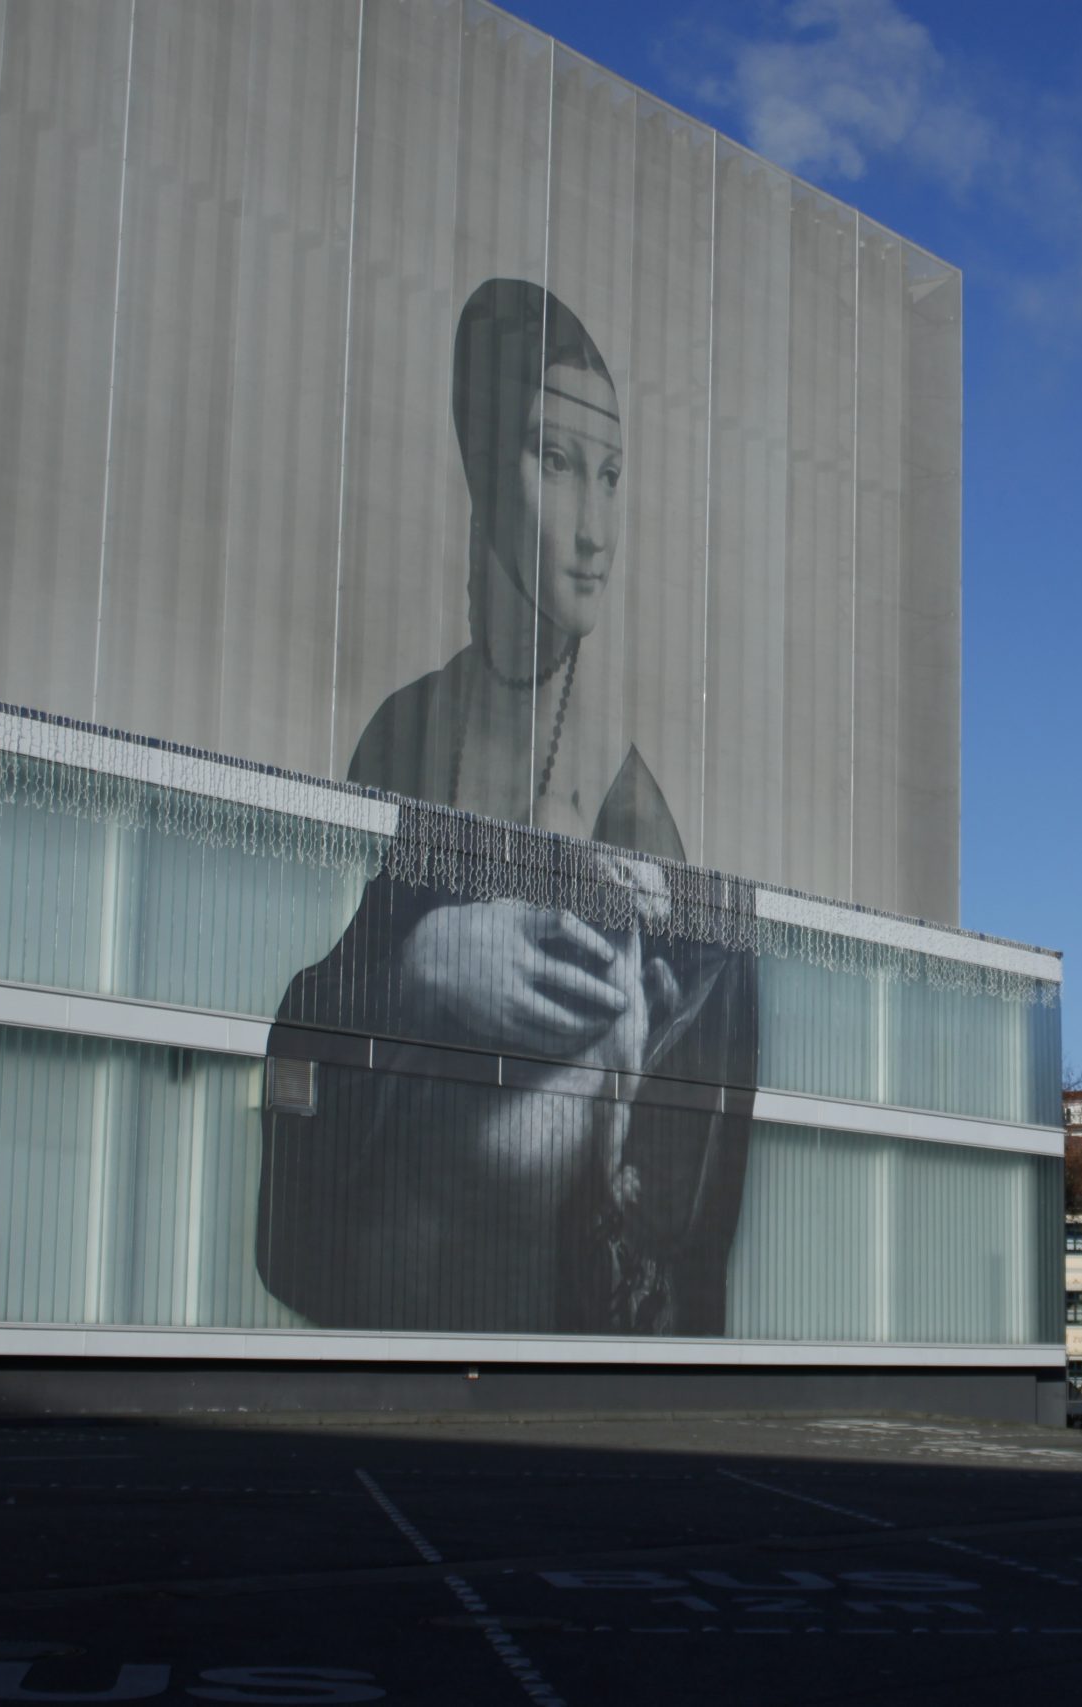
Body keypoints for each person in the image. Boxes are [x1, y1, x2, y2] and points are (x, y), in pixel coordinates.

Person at [255, 279, 754, 1337]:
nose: (594, 531)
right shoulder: (401, 734)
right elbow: (295, 1024)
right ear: (486, 469)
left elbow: (680, 1181)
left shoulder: (631, 806)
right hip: (385, 1309)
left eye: (610, 475)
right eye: (555, 461)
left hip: (537, 1315)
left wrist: (628, 1031)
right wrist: (417, 973)